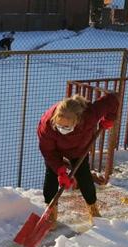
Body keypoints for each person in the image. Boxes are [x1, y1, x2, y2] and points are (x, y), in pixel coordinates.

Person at [37, 93, 119, 229]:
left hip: (79, 149)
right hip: (55, 149)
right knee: (51, 176)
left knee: (84, 177)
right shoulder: (47, 126)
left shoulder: (90, 115)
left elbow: (112, 99)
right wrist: (61, 171)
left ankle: (93, 208)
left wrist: (109, 118)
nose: (63, 130)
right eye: (60, 126)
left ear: (78, 120)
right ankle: (50, 210)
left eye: (67, 127)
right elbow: (48, 152)